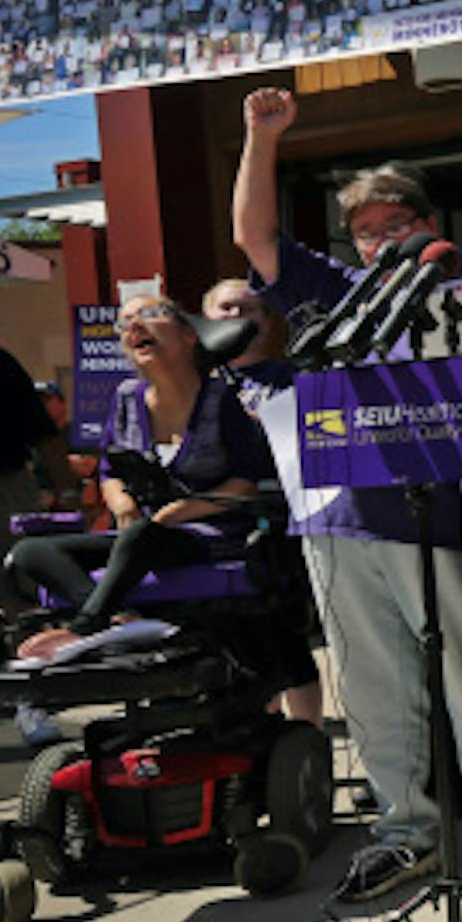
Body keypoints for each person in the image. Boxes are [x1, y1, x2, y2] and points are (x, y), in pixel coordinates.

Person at [233, 87, 462, 904]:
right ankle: (404, 829)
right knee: (371, 691)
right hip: (340, 516)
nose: (375, 243)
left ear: (426, 223)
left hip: (441, 518)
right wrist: (263, 138)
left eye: (391, 225)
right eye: (363, 231)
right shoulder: (338, 289)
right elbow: (254, 236)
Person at [9, 297, 271, 661]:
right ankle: (119, 620)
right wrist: (122, 503)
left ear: (187, 336)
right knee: (29, 551)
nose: (134, 326)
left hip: (211, 532)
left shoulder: (221, 399)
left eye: (150, 315)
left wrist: (176, 513)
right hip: (141, 533)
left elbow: (246, 483)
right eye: (124, 321)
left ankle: (85, 627)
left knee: (141, 536)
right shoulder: (127, 398)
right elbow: (110, 470)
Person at [199, 277, 324, 727]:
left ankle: (308, 738)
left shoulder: (291, 378)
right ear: (205, 319)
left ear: (266, 323)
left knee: (284, 645)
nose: (236, 317)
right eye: (226, 308)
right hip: (208, 529)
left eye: (248, 309)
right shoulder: (193, 385)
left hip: (274, 528)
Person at [0, 334, 77, 742]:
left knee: (23, 598)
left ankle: (33, 704)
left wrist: (67, 493)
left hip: (3, 488)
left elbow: (43, 435)